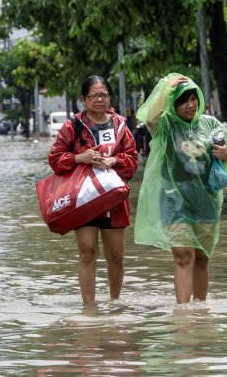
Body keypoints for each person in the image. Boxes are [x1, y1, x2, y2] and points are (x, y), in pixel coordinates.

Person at [134, 74, 227, 304]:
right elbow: (150, 117)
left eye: (194, 98)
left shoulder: (211, 124)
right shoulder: (166, 126)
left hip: (206, 201)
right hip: (174, 201)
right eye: (184, 100)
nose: (190, 104)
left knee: (202, 258)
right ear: (174, 104)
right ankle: (183, 314)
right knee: (184, 256)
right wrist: (166, 87)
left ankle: (200, 310)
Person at [48, 75, 138, 305]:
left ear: (109, 97)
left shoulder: (120, 125)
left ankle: (115, 303)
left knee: (116, 256)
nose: (99, 99)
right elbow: (55, 159)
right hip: (84, 199)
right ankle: (89, 308)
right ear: (84, 99)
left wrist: (114, 161)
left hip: (114, 199)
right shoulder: (72, 126)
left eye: (104, 95)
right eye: (94, 95)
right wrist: (79, 157)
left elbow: (132, 160)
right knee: (87, 252)